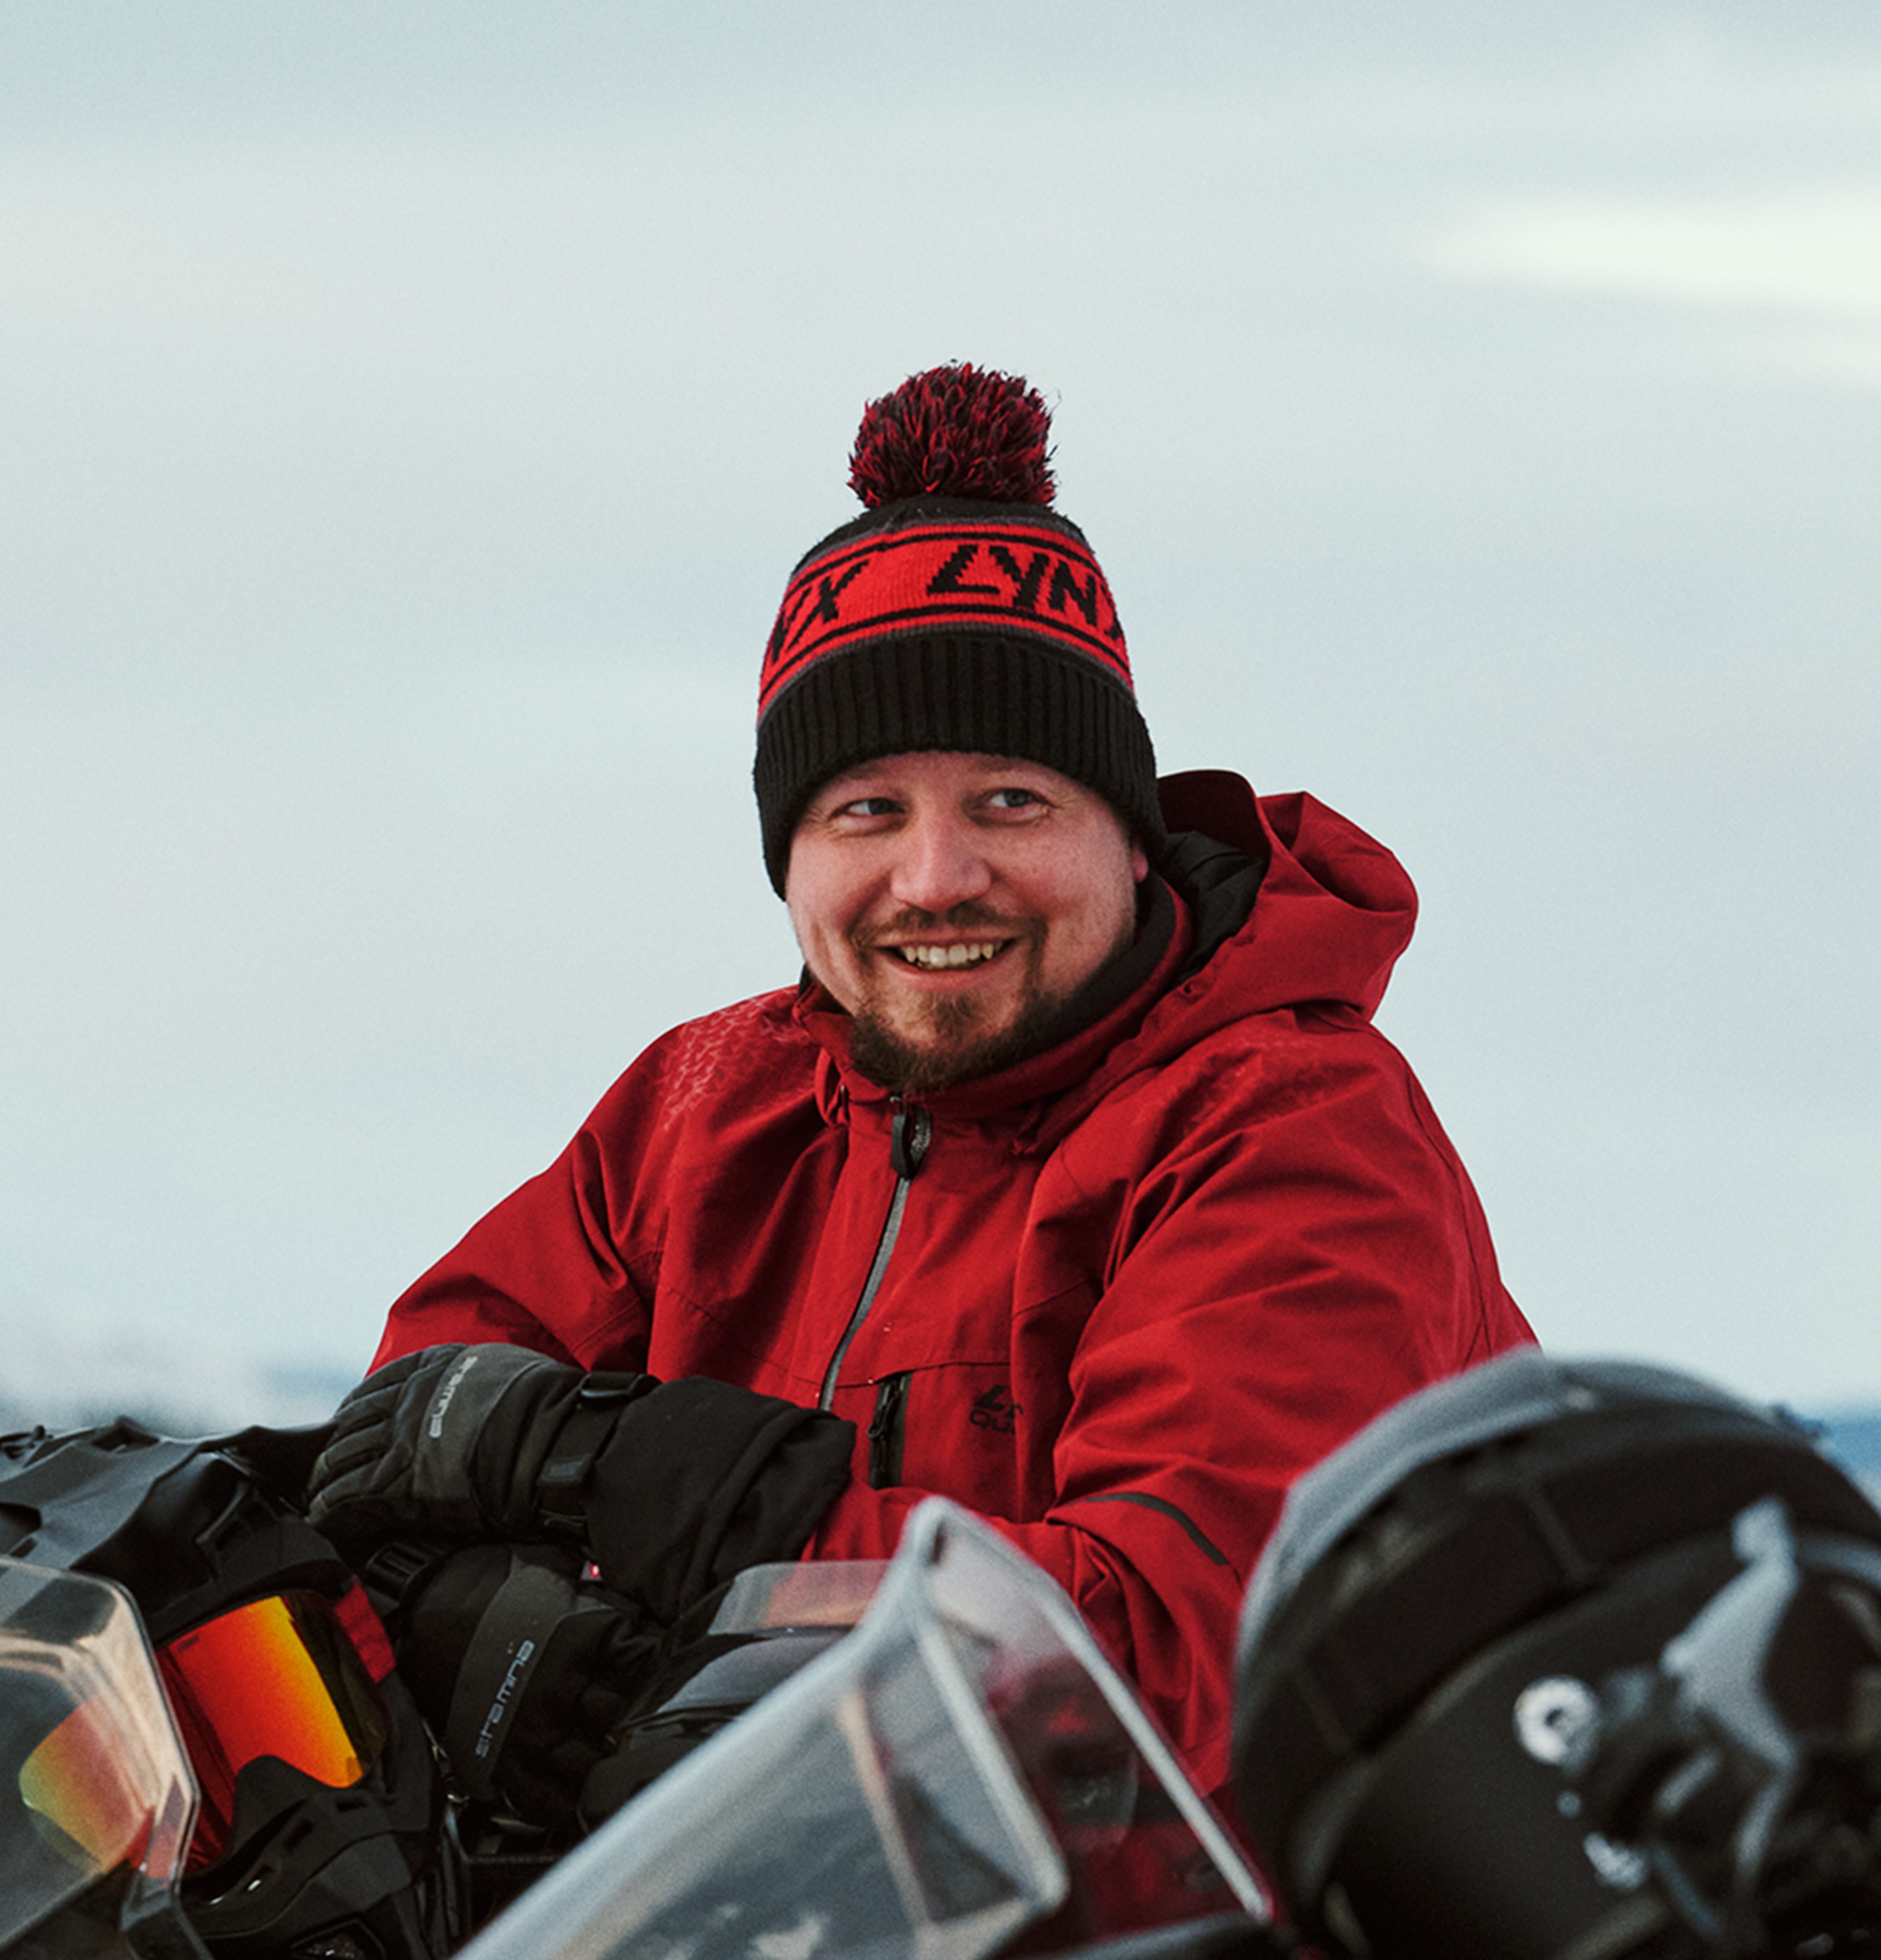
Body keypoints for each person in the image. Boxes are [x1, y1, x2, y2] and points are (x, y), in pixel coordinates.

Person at [305, 364, 1533, 1796]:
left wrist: (680, 1505)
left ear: (1127, 837)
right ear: (791, 858)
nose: (936, 878)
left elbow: (1162, 1670)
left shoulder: (1286, 1130)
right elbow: (411, 1449)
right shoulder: (703, 1102)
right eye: (864, 812)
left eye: (1011, 801)